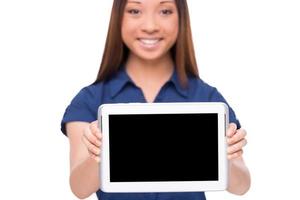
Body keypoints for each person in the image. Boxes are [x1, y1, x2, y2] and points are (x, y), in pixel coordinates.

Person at [61, 0, 251, 199]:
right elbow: (79, 189)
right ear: (118, 18)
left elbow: (241, 186)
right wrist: (96, 156)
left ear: (181, 18)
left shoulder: (208, 98)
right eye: (135, 11)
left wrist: (229, 157)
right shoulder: (89, 100)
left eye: (165, 11)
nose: (150, 26)